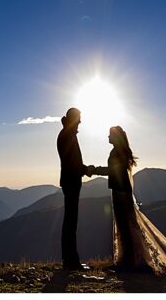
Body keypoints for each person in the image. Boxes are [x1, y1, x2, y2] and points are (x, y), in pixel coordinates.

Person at [90, 126, 166, 278]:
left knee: (125, 226)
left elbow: (112, 171)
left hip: (120, 192)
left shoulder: (117, 152)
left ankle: (130, 262)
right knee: (126, 226)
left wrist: (92, 170)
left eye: (110, 135)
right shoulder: (120, 151)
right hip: (120, 191)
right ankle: (129, 261)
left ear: (116, 137)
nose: (108, 137)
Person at [57, 107, 93, 271]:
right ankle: (71, 261)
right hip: (71, 181)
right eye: (78, 118)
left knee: (70, 221)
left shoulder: (66, 134)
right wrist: (85, 170)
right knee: (71, 221)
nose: (80, 121)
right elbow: (72, 163)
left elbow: (71, 161)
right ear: (73, 119)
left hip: (70, 181)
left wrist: (82, 169)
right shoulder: (68, 135)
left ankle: (70, 260)